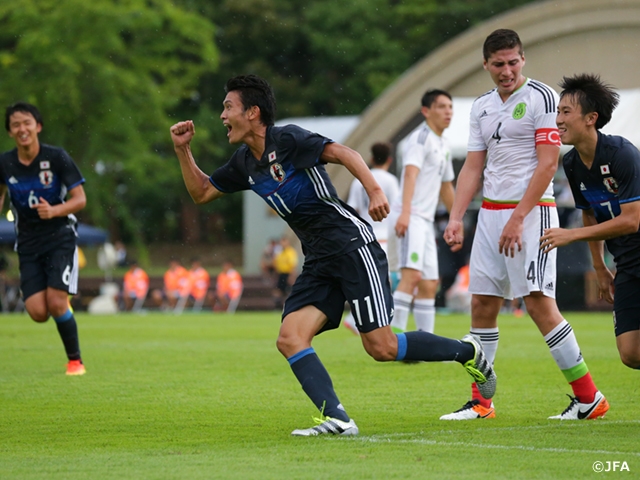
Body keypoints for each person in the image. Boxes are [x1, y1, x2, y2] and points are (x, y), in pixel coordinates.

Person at [170, 74, 496, 436]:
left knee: (382, 347)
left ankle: (468, 352)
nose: (222, 115)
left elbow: (345, 153)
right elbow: (201, 192)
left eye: (228, 107)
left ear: (253, 112)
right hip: (319, 260)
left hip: (352, 246)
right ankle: (339, 419)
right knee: (290, 338)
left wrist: (374, 190)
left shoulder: (289, 139)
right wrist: (183, 150)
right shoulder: (244, 163)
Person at [443, 29, 607, 421]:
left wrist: (518, 218)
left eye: (513, 61)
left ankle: (589, 398)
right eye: (498, 64)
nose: (506, 70)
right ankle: (481, 403)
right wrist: (455, 217)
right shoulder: (481, 106)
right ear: (486, 65)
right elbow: (473, 166)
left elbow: (548, 163)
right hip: (490, 216)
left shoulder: (543, 97)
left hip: (532, 214)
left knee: (538, 304)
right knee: (481, 303)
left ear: (523, 59)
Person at [540, 73, 640, 370]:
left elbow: (632, 221)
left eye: (566, 112)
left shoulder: (622, 153)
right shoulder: (571, 162)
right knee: (631, 353)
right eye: (558, 111)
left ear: (590, 118)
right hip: (627, 264)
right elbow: (588, 211)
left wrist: (571, 235)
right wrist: (600, 268)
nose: (558, 119)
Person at [0, 102, 87, 375]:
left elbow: (80, 199)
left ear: (37, 126)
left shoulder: (57, 157)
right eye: (16, 125)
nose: (22, 129)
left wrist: (54, 211)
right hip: (27, 242)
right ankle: (59, 301)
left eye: (27, 122)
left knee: (56, 303)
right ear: (10, 132)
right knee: (38, 312)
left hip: (60, 236)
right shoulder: (4, 163)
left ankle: (75, 362)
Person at [389, 89, 455, 335]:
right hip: (411, 215)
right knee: (411, 277)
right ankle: (394, 340)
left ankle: (425, 341)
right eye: (441, 106)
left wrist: (455, 220)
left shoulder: (444, 144)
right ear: (426, 111)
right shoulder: (419, 139)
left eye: (450, 107)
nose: (448, 111)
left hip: (425, 221)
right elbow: (410, 174)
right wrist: (406, 212)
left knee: (429, 284)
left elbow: (446, 186)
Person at [344, 142, 399, 334]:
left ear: (371, 159)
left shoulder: (359, 180)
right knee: (386, 283)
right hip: (384, 238)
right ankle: (372, 322)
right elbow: (396, 211)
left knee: (369, 281)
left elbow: (353, 210)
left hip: (365, 237)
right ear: (389, 160)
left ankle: (359, 319)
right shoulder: (391, 181)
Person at [272, 236, 298, 309]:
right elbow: (276, 262)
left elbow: (293, 264)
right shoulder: (279, 252)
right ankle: (278, 306)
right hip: (281, 273)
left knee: (288, 290)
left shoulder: (290, 252)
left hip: (287, 274)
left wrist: (291, 276)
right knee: (279, 290)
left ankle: (289, 306)